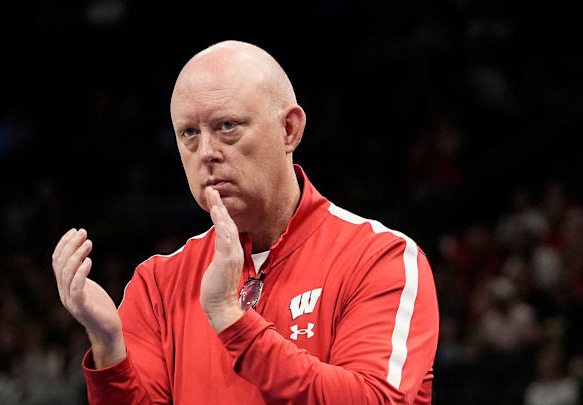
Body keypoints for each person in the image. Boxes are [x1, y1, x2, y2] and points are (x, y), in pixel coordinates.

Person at [51, 40, 439, 404]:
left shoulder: (381, 258)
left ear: (289, 129)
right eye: (189, 133)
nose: (206, 153)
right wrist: (108, 347)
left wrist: (230, 319)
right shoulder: (156, 285)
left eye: (227, 127)